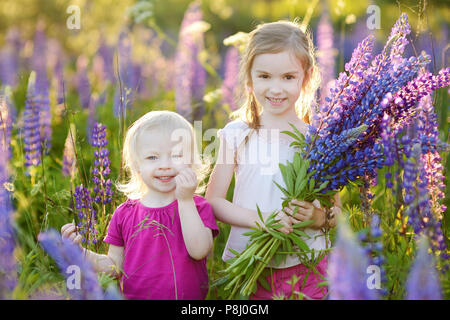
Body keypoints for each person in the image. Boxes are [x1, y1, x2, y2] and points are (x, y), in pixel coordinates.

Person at [205, 20, 342, 300]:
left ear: (307, 77)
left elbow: (337, 212)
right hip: (250, 265)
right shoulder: (236, 134)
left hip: (307, 264)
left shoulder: (318, 139)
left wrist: (318, 218)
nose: (276, 88)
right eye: (265, 76)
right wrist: (263, 220)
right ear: (249, 79)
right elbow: (214, 202)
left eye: (288, 77)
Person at [62, 110, 219, 300]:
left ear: (191, 162)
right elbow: (114, 266)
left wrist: (185, 200)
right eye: (152, 157)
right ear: (137, 165)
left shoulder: (197, 206)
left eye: (177, 156)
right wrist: (81, 253)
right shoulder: (125, 213)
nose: (165, 165)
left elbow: (199, 250)